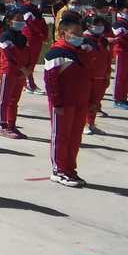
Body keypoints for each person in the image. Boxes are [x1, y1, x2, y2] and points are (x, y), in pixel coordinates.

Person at [43, 11, 94, 187]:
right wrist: (56, 103)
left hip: (80, 101)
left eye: (81, 33)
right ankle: (58, 170)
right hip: (63, 104)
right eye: (75, 34)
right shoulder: (56, 54)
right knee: (61, 137)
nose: (80, 37)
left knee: (74, 137)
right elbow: (51, 81)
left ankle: (70, 168)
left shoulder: (81, 52)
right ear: (63, 34)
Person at [0, 8, 32, 138]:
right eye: (18, 20)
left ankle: (12, 125)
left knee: (14, 100)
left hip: (21, 73)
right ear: (9, 22)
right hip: (9, 71)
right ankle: (3, 126)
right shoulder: (5, 37)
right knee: (4, 99)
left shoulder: (23, 37)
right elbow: (9, 56)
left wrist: (27, 68)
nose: (21, 22)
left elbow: (28, 54)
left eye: (22, 20)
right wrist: (22, 67)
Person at [83, 15, 112, 135]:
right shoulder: (83, 39)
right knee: (85, 102)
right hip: (87, 77)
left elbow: (108, 59)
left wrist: (107, 75)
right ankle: (84, 124)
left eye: (101, 25)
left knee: (95, 102)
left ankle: (91, 123)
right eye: (96, 24)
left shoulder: (104, 41)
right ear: (89, 26)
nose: (100, 27)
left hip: (101, 77)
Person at [20, 0, 48, 93]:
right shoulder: (27, 9)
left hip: (36, 38)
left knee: (32, 61)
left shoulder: (36, 9)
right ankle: (29, 84)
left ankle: (27, 83)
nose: (39, 0)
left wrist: (44, 34)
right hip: (30, 37)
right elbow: (31, 23)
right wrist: (41, 33)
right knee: (29, 61)